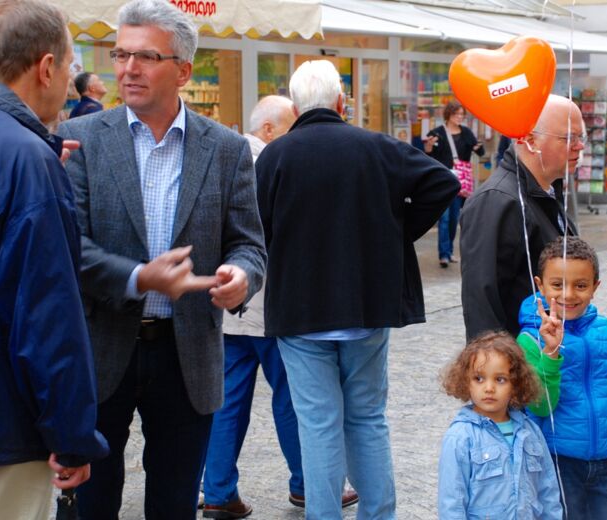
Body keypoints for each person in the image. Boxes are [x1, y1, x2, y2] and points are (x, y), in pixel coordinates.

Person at [57, 1, 267, 518]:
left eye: (146, 56)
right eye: (121, 54)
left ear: (184, 70)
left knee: (174, 504)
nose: (127, 68)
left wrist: (242, 275)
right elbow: (69, 247)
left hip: (186, 354)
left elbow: (249, 243)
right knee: (90, 503)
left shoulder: (225, 149)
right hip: (100, 350)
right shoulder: (80, 140)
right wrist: (136, 278)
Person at [255, 59, 459, 519]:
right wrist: (396, 232)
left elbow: (257, 227)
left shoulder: (276, 156)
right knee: (366, 418)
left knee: (318, 423)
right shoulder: (377, 147)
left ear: (294, 105)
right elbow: (442, 182)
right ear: (341, 101)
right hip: (366, 304)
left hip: (300, 310)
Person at [202, 95, 358, 519]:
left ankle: (217, 490)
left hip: (228, 307)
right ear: (269, 129)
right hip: (273, 306)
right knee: (294, 399)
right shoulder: (270, 161)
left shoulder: (221, 157)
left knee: (226, 402)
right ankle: (307, 485)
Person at [0, 1, 109, 518]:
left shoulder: (25, 154)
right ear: (47, 67)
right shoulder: (26, 160)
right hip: (1, 432)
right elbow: (45, 316)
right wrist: (73, 436)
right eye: (73, 65)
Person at [518, 237, 607, 519]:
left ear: (595, 287)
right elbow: (540, 406)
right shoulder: (529, 340)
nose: (569, 294)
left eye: (580, 285)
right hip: (557, 465)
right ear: (540, 285)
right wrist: (551, 354)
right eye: (557, 285)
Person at [460, 94, 581, 341]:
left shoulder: (546, 190)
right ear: (529, 139)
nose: (579, 146)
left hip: (548, 357)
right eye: (569, 138)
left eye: (581, 137)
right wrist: (500, 372)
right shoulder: (498, 201)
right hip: (523, 362)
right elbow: (482, 303)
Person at [438, 331, 562, 519]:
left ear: (516, 384)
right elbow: (452, 501)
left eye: (500, 379)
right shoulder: (461, 436)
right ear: (466, 382)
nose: (489, 388)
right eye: (479, 378)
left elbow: (548, 491)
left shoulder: (530, 432)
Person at [424, 100, 485, 267]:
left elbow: (481, 152)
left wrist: (478, 147)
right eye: (456, 114)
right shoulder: (437, 133)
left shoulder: (466, 133)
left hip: (460, 182)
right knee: (443, 218)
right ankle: (443, 254)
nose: (459, 117)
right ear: (448, 115)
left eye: (461, 115)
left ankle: (449, 251)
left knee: (453, 218)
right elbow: (428, 156)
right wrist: (429, 147)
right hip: (443, 180)